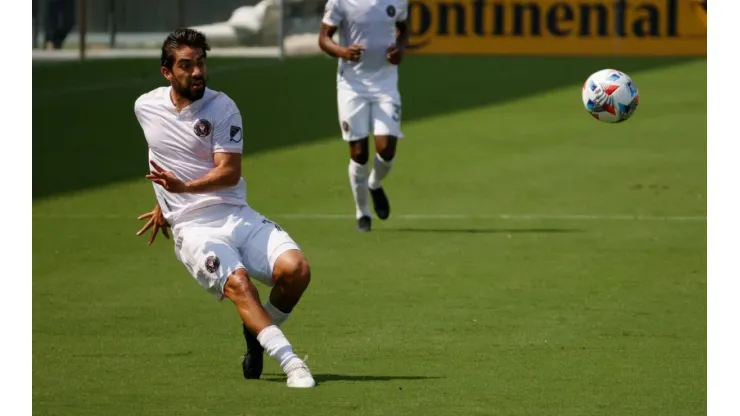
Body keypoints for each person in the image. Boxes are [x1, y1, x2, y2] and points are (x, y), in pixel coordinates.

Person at [133, 28, 315, 388]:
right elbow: (161, 154)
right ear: (167, 72)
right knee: (239, 284)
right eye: (186, 65)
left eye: (201, 63)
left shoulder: (223, 107)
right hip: (192, 227)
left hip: (234, 211)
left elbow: (229, 173)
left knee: (297, 271)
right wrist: (164, 203)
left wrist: (182, 187)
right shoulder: (145, 107)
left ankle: (256, 330)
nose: (197, 71)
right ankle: (292, 363)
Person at [318, 0, 409, 232]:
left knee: (386, 150)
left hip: (385, 84)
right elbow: (324, 38)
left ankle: (374, 183)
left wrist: (400, 50)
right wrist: (342, 52)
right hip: (352, 85)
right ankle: (363, 213)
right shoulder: (340, 2)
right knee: (359, 153)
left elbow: (403, 29)